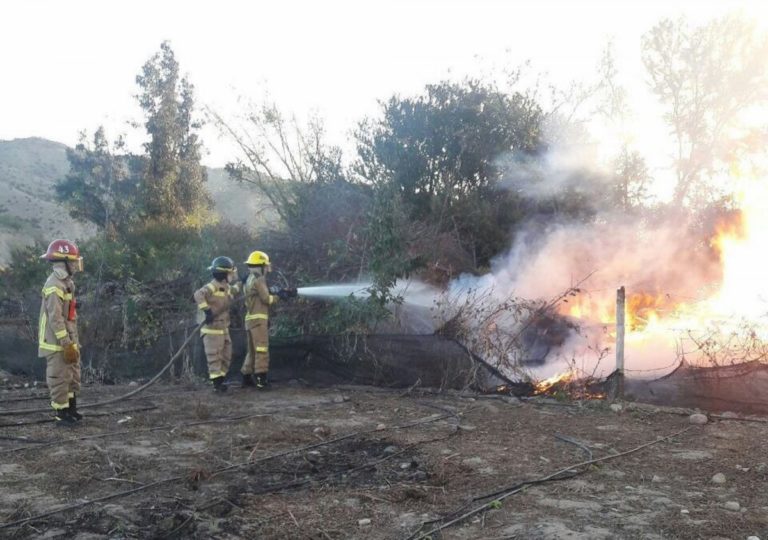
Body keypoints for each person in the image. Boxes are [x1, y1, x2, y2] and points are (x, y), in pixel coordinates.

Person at [38, 239, 84, 426]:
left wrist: (72, 341)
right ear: (62, 262)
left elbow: (68, 316)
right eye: (73, 261)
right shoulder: (54, 285)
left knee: (72, 374)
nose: (75, 265)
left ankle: (71, 408)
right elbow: (55, 318)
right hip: (56, 342)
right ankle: (61, 414)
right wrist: (65, 342)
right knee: (58, 376)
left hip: (68, 338)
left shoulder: (66, 282)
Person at [241, 250, 295, 389]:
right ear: (261, 266)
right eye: (266, 266)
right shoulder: (259, 279)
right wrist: (279, 297)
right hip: (259, 320)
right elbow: (266, 299)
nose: (268, 269)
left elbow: (260, 294)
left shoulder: (249, 278)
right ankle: (261, 380)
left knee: (252, 351)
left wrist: (278, 291)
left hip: (250, 320)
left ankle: (246, 377)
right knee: (261, 349)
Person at [193, 256, 240, 392]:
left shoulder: (225, 287)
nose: (232, 275)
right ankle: (217, 384)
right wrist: (207, 311)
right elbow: (198, 295)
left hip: (223, 328)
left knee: (226, 356)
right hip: (211, 330)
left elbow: (233, 290)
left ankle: (221, 380)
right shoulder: (212, 286)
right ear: (224, 274)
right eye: (231, 273)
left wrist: (241, 283)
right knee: (214, 357)